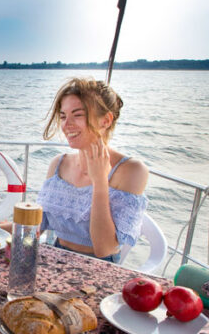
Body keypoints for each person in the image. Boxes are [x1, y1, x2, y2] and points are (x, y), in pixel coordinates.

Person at [37, 77, 149, 262]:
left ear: (105, 121)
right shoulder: (58, 164)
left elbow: (105, 249)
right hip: (54, 258)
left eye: (78, 115)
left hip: (98, 267)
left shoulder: (132, 170)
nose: (66, 125)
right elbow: (36, 225)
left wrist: (100, 181)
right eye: (63, 116)